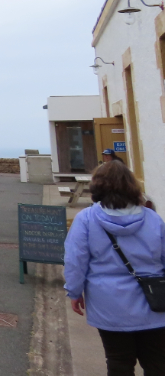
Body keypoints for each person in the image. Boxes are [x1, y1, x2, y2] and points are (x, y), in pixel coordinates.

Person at [64, 160, 165, 375]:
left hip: (109, 304)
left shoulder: (86, 220)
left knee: (118, 362)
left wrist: (74, 292)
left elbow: (76, 260)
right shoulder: (153, 219)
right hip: (154, 302)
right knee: (157, 363)